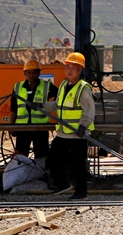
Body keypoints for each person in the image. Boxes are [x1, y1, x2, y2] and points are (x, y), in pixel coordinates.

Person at [47, 52, 95, 200]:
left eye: (73, 67)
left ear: (80, 70)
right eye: (67, 66)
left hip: (77, 134)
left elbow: (89, 110)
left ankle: (81, 192)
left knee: (77, 164)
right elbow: (58, 105)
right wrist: (43, 105)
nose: (69, 70)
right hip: (63, 132)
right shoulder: (63, 85)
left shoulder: (83, 88)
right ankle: (63, 184)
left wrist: (83, 126)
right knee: (53, 159)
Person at [12, 59, 56, 161]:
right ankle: (22, 172)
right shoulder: (18, 87)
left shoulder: (46, 86)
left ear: (39, 73)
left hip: (40, 128)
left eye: (34, 72)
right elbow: (13, 108)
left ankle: (40, 171)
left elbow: (59, 98)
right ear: (25, 73)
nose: (31, 75)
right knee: (20, 158)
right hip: (23, 128)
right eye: (29, 73)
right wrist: (11, 126)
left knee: (41, 157)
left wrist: (48, 106)